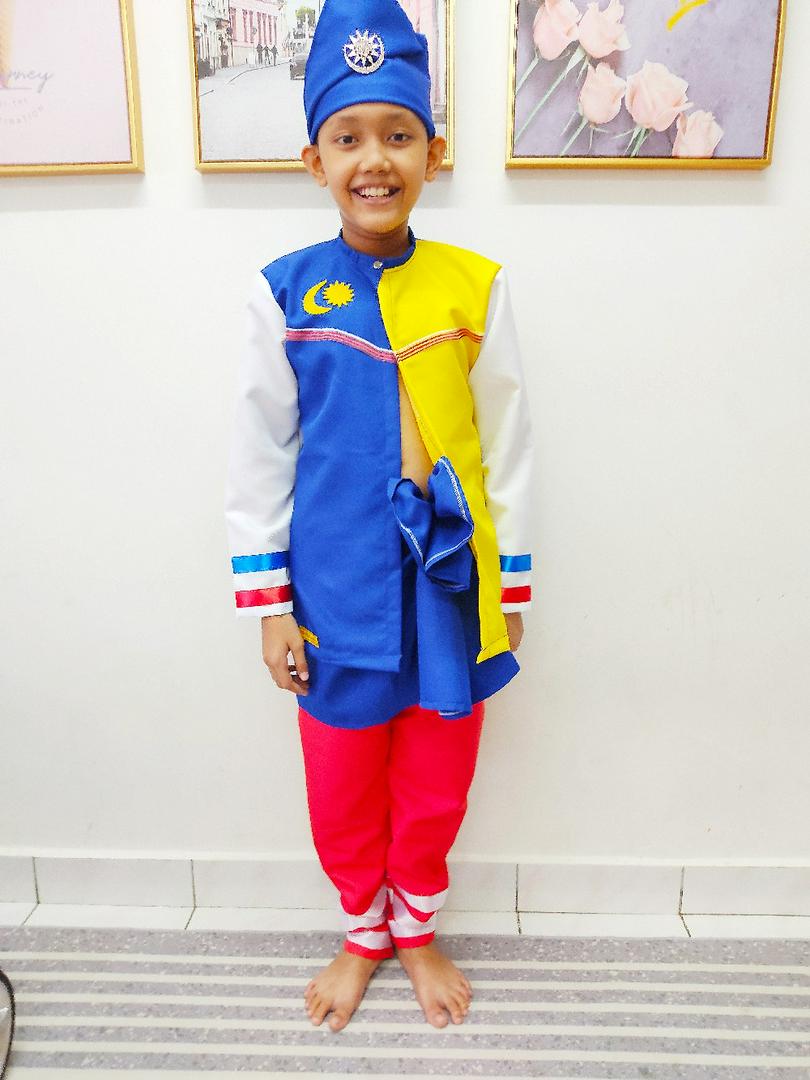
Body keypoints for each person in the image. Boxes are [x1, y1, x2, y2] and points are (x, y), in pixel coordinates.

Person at [224, 0, 534, 1035]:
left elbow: (508, 443)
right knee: (342, 780)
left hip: (449, 592)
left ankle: (418, 928)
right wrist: (270, 605)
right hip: (334, 591)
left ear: (432, 154)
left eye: (398, 134)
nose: (375, 159)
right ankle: (363, 930)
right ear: (314, 160)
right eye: (348, 136)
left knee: (438, 779)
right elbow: (260, 451)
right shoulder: (285, 294)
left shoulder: (474, 288)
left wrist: (509, 588)